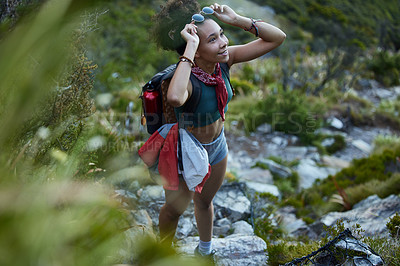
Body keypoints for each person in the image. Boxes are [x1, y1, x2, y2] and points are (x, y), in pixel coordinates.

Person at [149, 0, 286, 258]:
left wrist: (237, 20)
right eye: (213, 40)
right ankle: (160, 254)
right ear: (196, 50)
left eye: (221, 34)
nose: (223, 42)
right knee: (174, 209)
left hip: (217, 146)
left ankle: (205, 251)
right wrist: (189, 49)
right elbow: (176, 98)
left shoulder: (224, 61)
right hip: (185, 151)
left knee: (204, 202)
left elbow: (277, 38)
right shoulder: (185, 76)